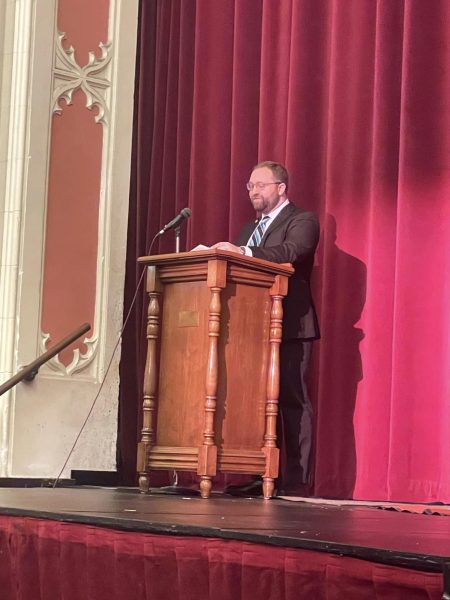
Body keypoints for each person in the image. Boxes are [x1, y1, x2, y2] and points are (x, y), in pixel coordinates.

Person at [212, 160, 320, 496]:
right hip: (251, 325)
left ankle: (297, 478)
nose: (253, 192)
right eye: (249, 186)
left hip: (289, 323)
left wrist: (244, 251)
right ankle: (261, 473)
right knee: (255, 401)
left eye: (260, 185)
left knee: (291, 399)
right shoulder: (249, 228)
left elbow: (292, 252)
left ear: (281, 187)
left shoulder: (302, 220)